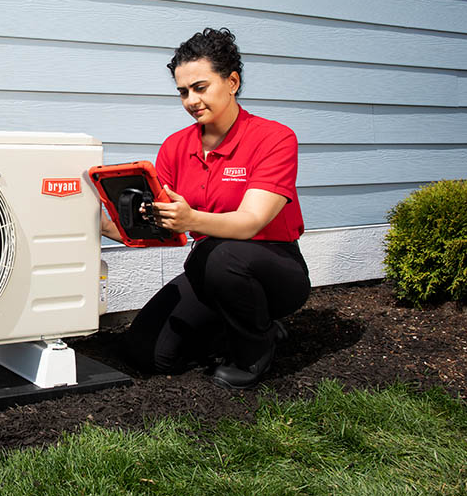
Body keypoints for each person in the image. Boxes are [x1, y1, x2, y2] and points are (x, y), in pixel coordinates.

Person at [101, 27, 310, 389]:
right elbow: (164, 229)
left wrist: (192, 219)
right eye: (183, 92)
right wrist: (95, 223)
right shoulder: (175, 147)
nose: (191, 100)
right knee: (146, 354)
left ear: (232, 82)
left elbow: (251, 222)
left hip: (274, 268)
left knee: (217, 254)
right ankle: (238, 329)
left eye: (200, 87)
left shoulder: (274, 138)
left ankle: (254, 350)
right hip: (209, 267)